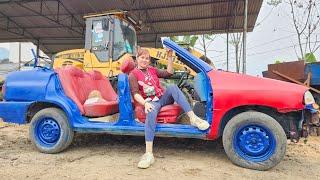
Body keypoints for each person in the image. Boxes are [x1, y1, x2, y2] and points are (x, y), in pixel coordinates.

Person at [128, 47, 210, 169]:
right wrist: (145, 104)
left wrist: (170, 57)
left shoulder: (152, 70)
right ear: (137, 58)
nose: (145, 60)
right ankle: (148, 153)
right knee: (150, 111)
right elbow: (135, 94)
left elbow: (169, 72)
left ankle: (193, 118)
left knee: (172, 87)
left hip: (163, 98)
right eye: (142, 58)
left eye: (147, 58)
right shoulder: (133, 74)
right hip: (151, 102)